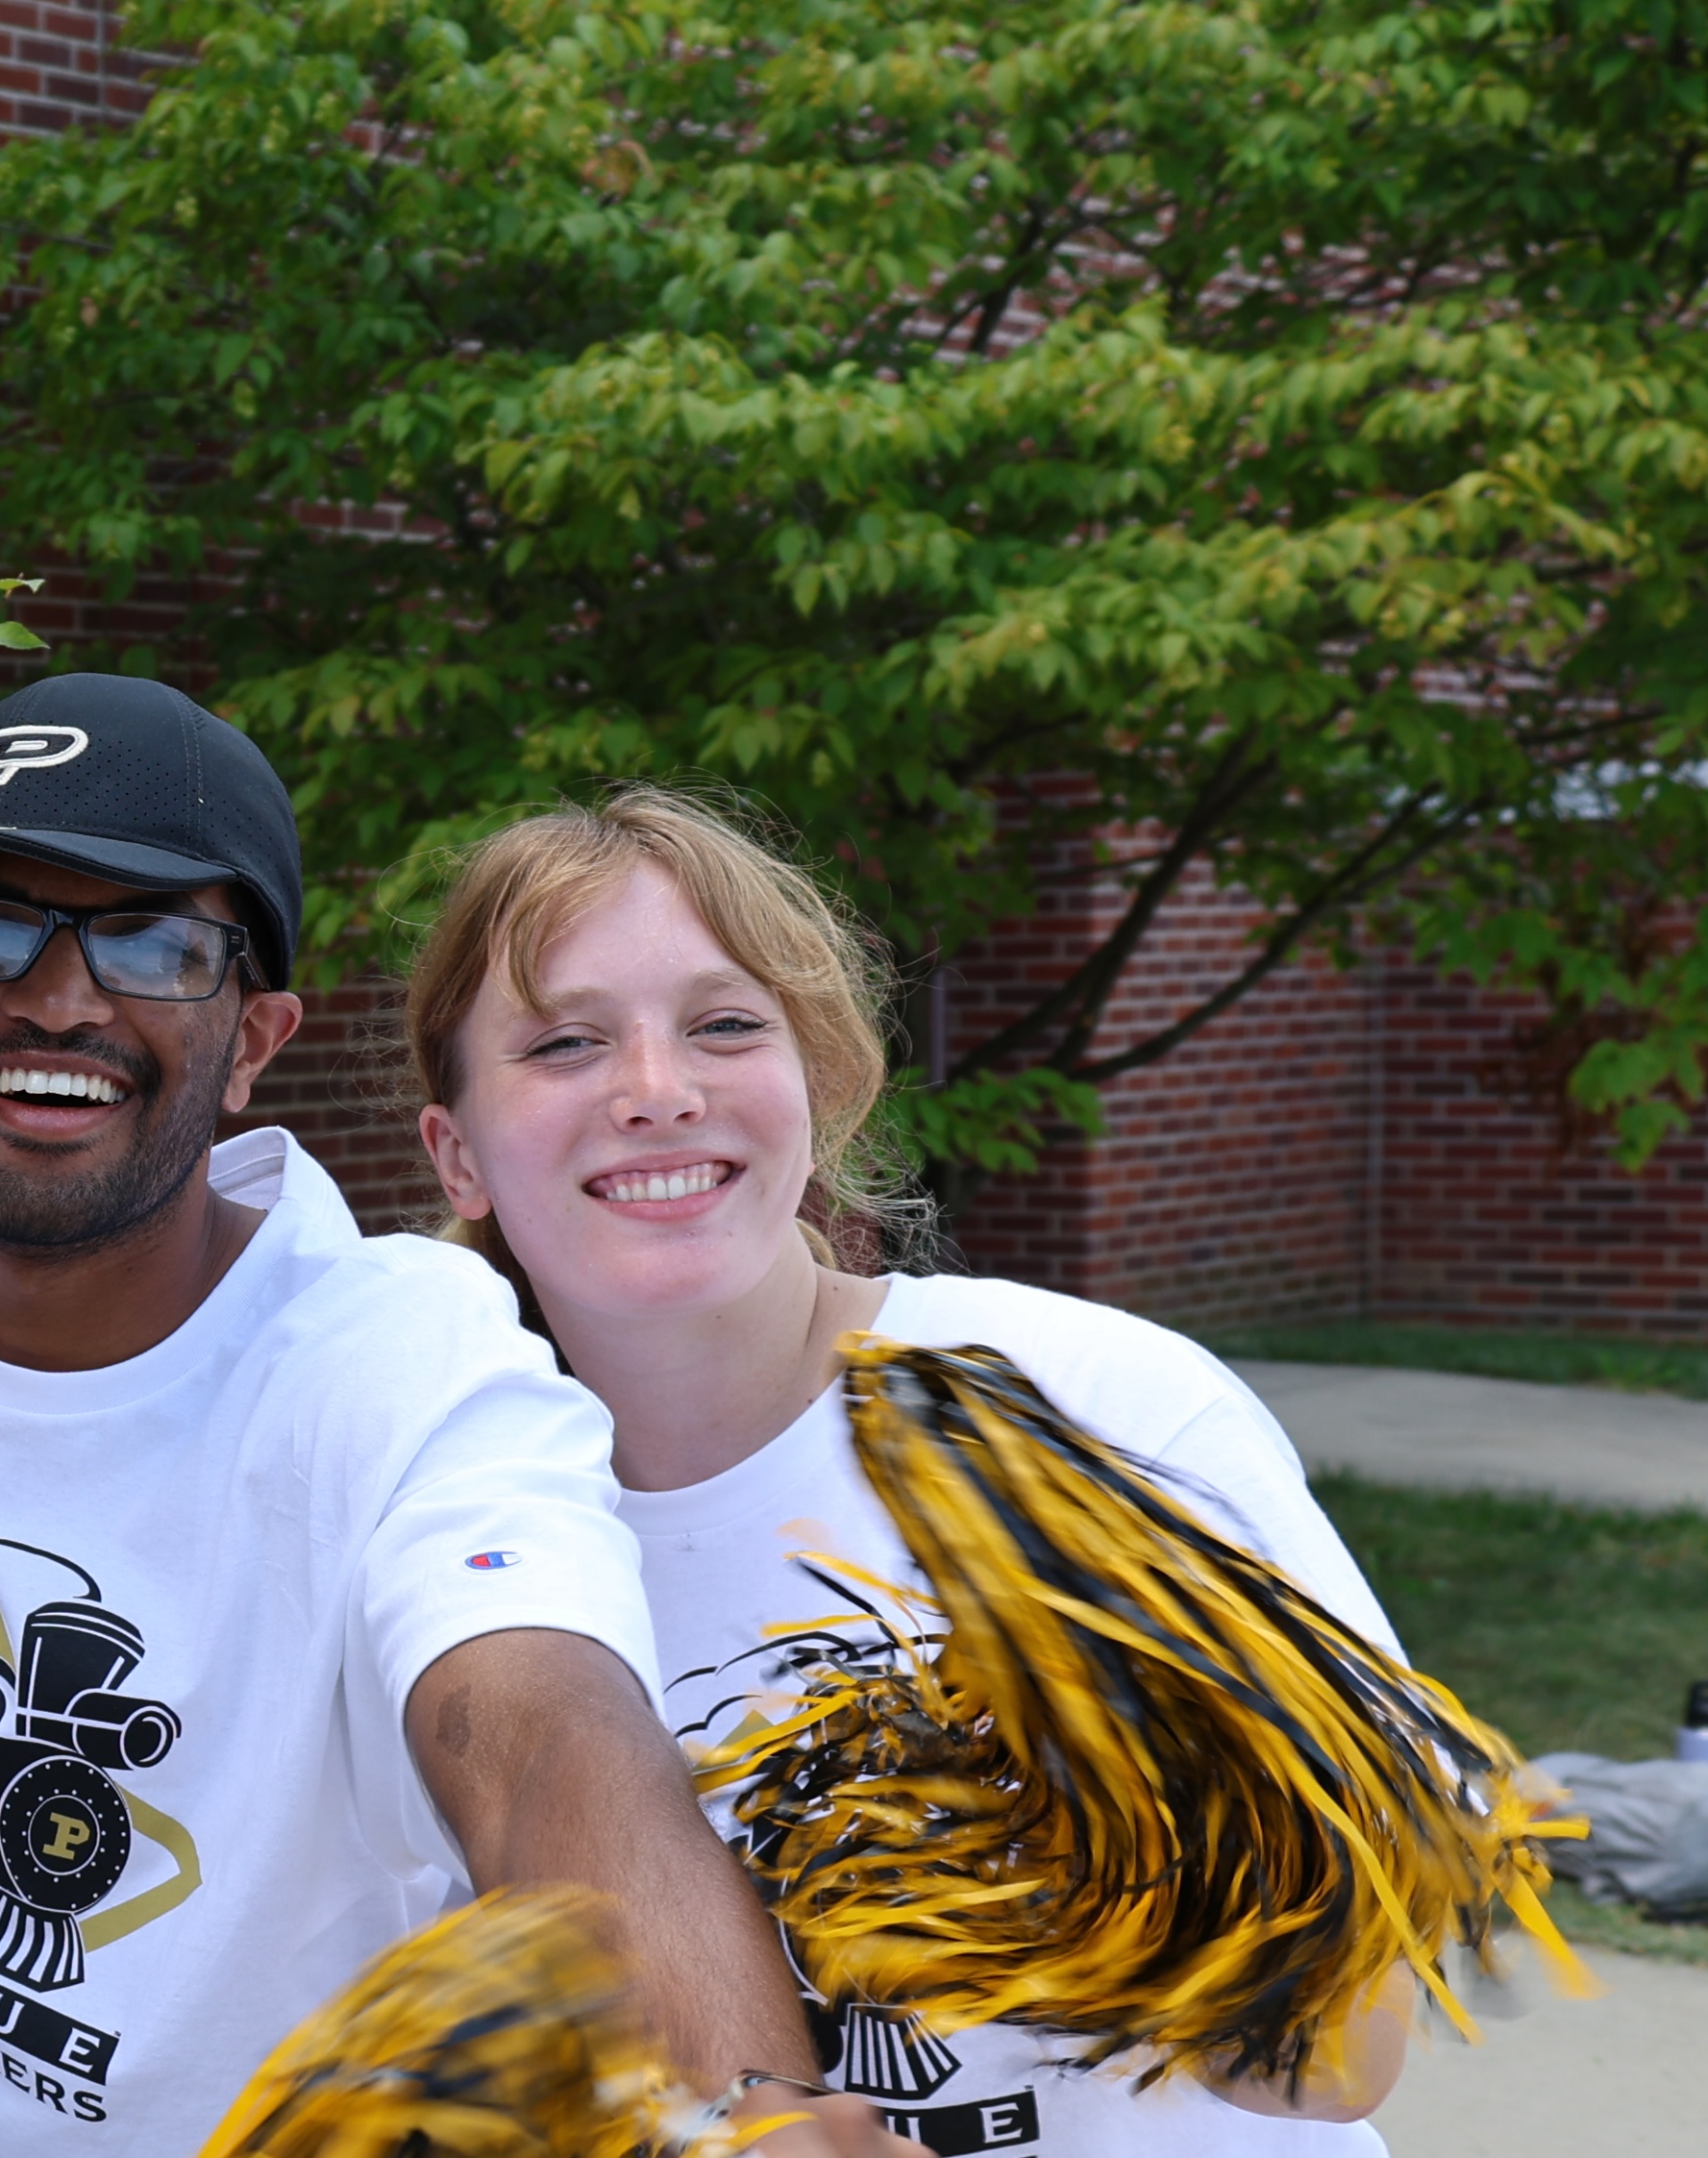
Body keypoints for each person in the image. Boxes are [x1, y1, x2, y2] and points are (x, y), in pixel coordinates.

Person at [0, 676, 906, 2155]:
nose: (58, 997)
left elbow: (547, 1730)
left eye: (153, 944)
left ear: (253, 1040)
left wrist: (758, 2114)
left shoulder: (396, 1360)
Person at [394, 787, 1412, 2153]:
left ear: (814, 1085)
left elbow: (1342, 2053)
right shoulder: (442, 1534)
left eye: (725, 1023)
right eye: (567, 1042)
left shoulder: (1098, 1410)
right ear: (456, 1150)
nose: (657, 1089)